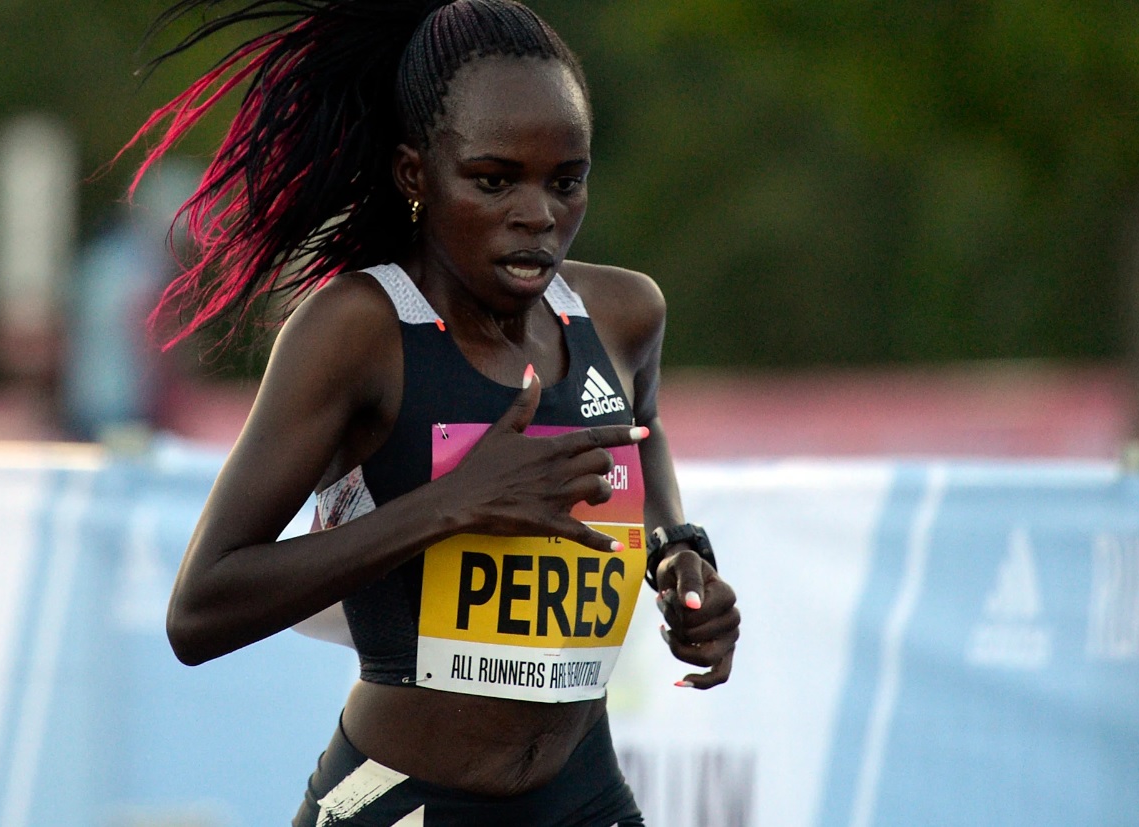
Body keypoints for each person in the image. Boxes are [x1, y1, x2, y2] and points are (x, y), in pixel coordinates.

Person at [129, 1, 740, 823]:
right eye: (494, 180)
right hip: (406, 799)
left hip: (581, 791)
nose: (538, 214)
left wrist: (675, 551)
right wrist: (451, 503)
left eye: (566, 181)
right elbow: (199, 610)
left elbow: (644, 424)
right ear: (415, 175)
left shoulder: (624, 314)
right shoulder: (358, 332)